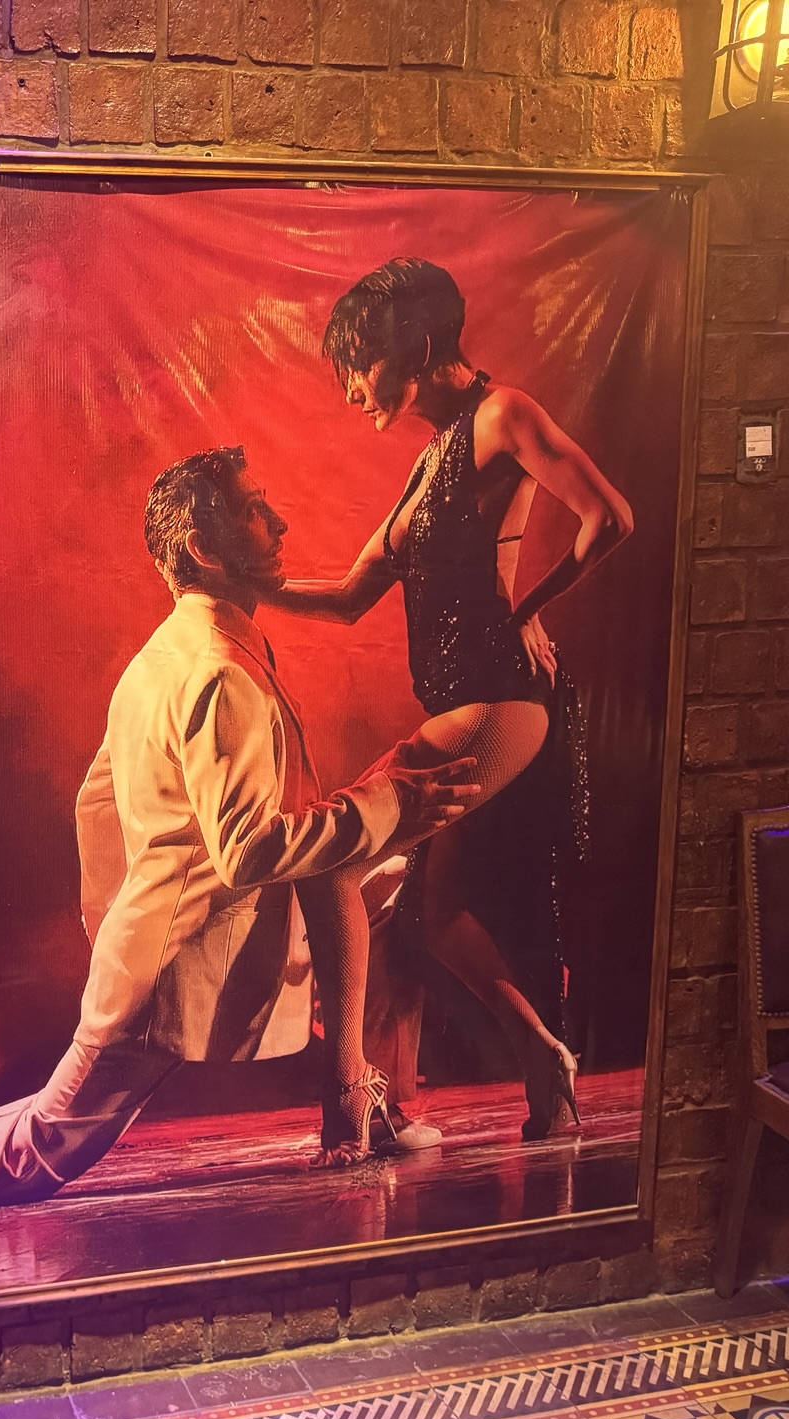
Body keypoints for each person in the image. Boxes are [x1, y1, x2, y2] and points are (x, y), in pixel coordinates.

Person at [0, 447, 479, 1223]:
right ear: (203, 549)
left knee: (41, 1130)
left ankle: (365, 1098)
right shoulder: (217, 671)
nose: (280, 524)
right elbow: (248, 851)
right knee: (35, 1151)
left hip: (158, 948)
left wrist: (117, 925)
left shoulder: (166, 657)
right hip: (170, 968)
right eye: (254, 511)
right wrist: (390, 803)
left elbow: (95, 805)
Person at [270, 258, 634, 1144]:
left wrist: (529, 608)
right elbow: (349, 596)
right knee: (434, 919)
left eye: (359, 364)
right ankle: (544, 1066)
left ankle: (355, 1103)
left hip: (499, 700)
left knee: (337, 856)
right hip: (465, 704)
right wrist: (241, 585)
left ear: (419, 345)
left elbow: (610, 519)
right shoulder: (429, 459)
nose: (352, 390)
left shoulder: (502, 414)